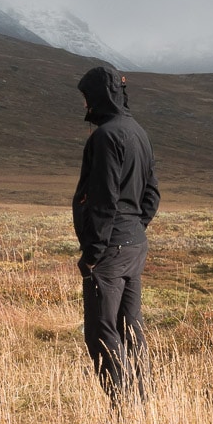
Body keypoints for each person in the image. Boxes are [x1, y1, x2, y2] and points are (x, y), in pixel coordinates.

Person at [73, 65, 159, 403]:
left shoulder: (107, 137)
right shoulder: (138, 131)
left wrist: (93, 253)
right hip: (133, 244)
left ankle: (122, 409)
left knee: (101, 331)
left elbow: (104, 199)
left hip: (110, 249)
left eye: (86, 98)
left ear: (99, 96)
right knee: (130, 325)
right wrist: (136, 227)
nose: (85, 106)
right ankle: (141, 401)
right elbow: (152, 192)